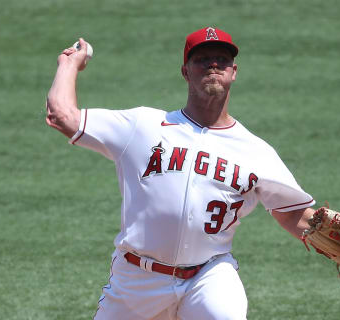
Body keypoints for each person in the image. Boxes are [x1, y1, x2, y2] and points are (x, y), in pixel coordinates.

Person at [46, 27, 316, 320]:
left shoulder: (256, 151)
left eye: (222, 59)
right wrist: (69, 63)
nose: (213, 64)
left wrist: (333, 234)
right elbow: (63, 116)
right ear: (185, 71)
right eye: (202, 59)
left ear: (234, 71)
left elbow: (292, 213)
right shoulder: (142, 125)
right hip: (137, 279)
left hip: (208, 275)